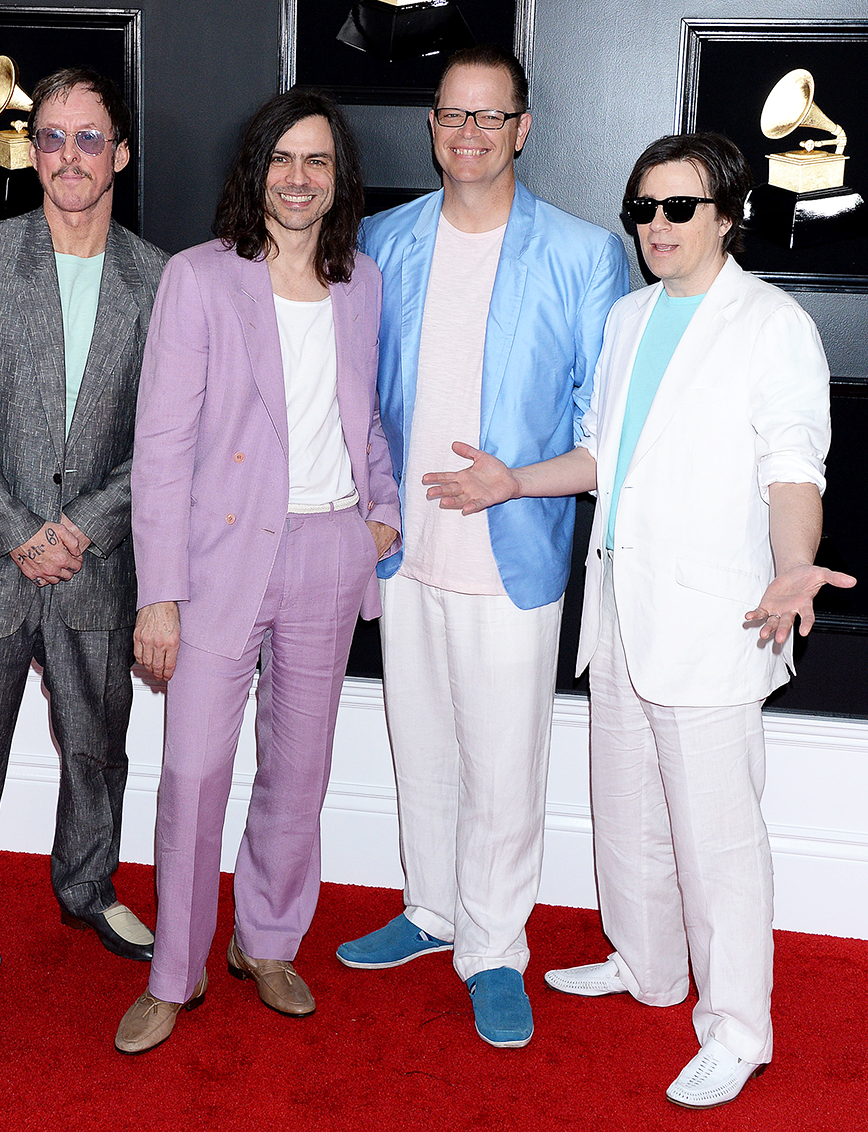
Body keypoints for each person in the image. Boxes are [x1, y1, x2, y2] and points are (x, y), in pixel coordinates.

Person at [422, 132, 855, 1105]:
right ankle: (649, 964)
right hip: (618, 605)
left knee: (716, 838)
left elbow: (793, 466)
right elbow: (598, 456)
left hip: (717, 617)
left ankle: (738, 1026)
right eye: (643, 210)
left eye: (678, 208)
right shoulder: (624, 319)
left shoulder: (771, 325)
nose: (656, 226)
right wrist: (510, 482)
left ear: (727, 215)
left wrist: (792, 566)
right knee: (623, 812)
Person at [334, 44, 628, 1049]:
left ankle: (494, 948)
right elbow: (353, 397)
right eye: (450, 116)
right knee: (419, 748)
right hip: (401, 551)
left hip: (516, 552)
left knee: (504, 766)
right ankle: (431, 911)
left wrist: (516, 481)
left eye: (487, 117)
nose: (466, 134)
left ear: (522, 129)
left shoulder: (585, 254)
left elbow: (606, 432)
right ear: (431, 126)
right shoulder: (381, 240)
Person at [114, 88, 400, 1055]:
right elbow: (161, 446)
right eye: (283, 159)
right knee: (193, 771)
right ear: (257, 171)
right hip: (219, 558)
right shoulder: (199, 278)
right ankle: (176, 970)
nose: (299, 178)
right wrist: (160, 592)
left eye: (317, 162)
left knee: (299, 770)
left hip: (327, 550)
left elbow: (364, 420)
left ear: (337, 179)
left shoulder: (360, 282)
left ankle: (268, 941)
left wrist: (382, 515)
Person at [0, 67, 168, 1068]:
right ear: (35, 151)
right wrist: (19, 528)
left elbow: (167, 433)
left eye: (90, 138)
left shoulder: (159, 278)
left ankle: (88, 884)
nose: (69, 156)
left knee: (97, 749)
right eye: (52, 137)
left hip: (97, 565)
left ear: (120, 154)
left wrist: (85, 527)